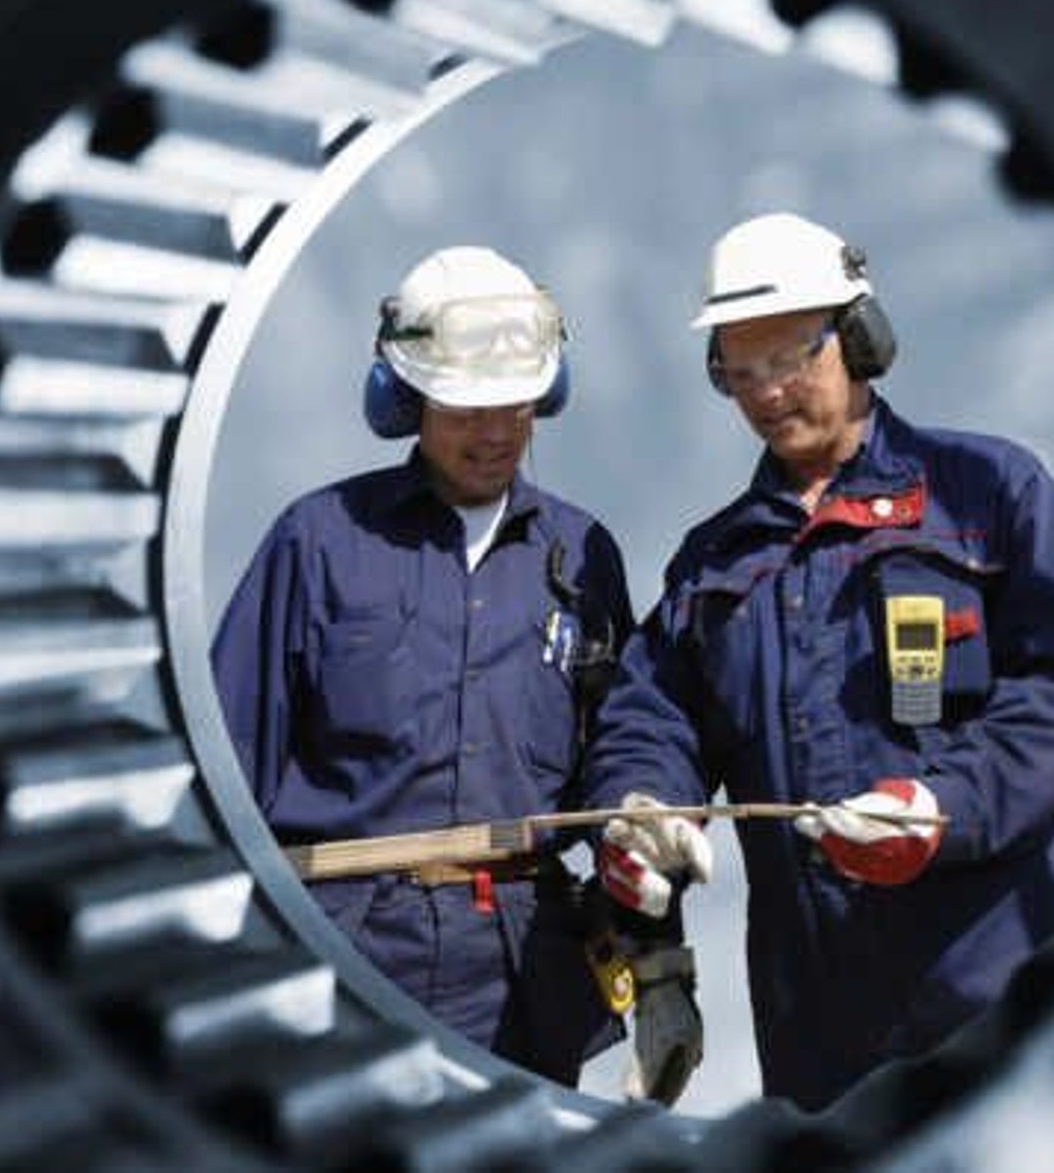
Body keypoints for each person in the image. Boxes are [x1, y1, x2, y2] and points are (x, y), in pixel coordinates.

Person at [581, 212, 1054, 1111]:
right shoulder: (712, 565)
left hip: (999, 981)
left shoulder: (988, 493)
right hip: (823, 1030)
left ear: (861, 339)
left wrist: (947, 805)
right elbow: (651, 718)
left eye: (791, 359)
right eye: (740, 371)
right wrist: (644, 812)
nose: (768, 393)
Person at [212, 245, 698, 1097]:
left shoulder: (583, 557)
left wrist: (659, 949)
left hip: (524, 976)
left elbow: (620, 755)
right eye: (470, 407)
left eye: (516, 404)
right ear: (407, 398)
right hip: (342, 962)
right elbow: (218, 773)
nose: (497, 430)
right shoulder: (318, 543)